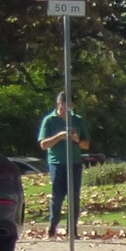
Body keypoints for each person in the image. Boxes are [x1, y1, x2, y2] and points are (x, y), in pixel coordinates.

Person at [37, 91, 88, 239]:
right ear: (59, 104)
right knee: (57, 197)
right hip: (57, 164)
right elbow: (43, 144)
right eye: (65, 105)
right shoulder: (49, 120)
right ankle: (53, 226)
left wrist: (77, 139)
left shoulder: (77, 120)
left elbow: (86, 145)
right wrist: (59, 136)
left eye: (70, 105)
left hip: (75, 164)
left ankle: (73, 229)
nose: (68, 108)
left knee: (74, 197)